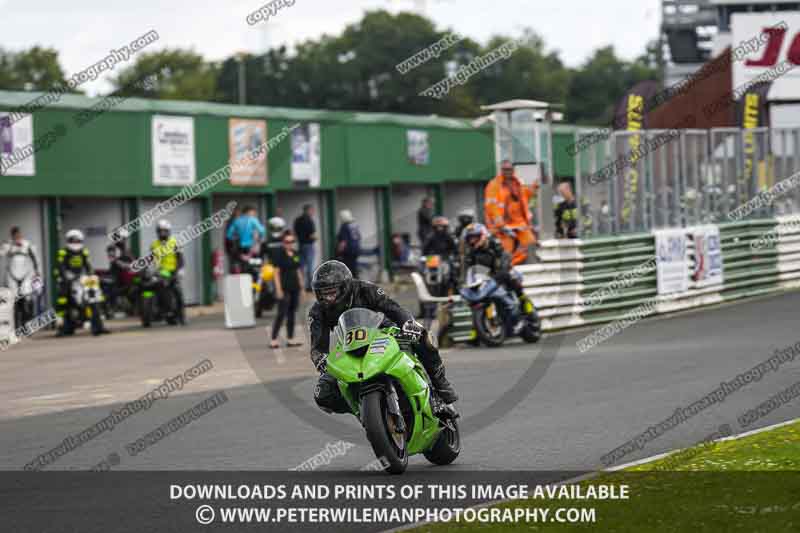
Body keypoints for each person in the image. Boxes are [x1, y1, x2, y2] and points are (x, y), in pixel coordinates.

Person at [308, 260, 458, 415]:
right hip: (350, 347)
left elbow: (393, 308)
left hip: (383, 332)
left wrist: (407, 323)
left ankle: (440, 388)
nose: (328, 298)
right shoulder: (317, 311)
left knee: (423, 337)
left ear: (345, 286)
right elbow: (317, 346)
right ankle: (362, 409)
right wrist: (320, 358)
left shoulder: (366, 289)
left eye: (332, 292)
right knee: (323, 394)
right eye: (323, 294)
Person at [462, 223, 530, 314]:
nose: (472, 241)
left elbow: (505, 255)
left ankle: (524, 302)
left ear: (483, 235)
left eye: (474, 238)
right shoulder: (471, 253)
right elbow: (469, 269)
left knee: (511, 277)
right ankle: (478, 324)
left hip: (501, 272)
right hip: (486, 278)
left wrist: (504, 266)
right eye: (470, 239)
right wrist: (466, 283)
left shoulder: (495, 243)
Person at [55, 229, 110, 336]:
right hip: (67, 278)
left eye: (77, 241)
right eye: (73, 241)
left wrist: (91, 274)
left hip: (81, 278)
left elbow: (88, 265)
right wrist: (66, 276)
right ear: (68, 241)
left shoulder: (84, 251)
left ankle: (99, 326)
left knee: (95, 297)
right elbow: (61, 266)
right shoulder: (63, 252)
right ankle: (61, 325)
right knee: (63, 298)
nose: (75, 243)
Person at [484, 160, 536, 264]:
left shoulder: (518, 183)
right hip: (502, 225)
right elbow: (491, 205)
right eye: (505, 169)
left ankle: (510, 264)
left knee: (530, 243)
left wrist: (534, 187)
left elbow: (525, 196)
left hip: (519, 223)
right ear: (501, 170)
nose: (507, 171)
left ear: (513, 170)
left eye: (509, 169)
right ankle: (506, 267)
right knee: (506, 249)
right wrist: (500, 224)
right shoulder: (494, 185)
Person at [270, 231, 304, 348]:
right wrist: (278, 289)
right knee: (281, 312)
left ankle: (290, 338)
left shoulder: (295, 253)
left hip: (294, 287)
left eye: (292, 241)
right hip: (284, 288)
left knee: (292, 313)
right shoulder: (279, 254)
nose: (290, 244)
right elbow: (276, 272)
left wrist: (302, 287)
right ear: (283, 243)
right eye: (287, 242)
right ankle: (273, 338)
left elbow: (298, 270)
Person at [150, 220, 186, 325]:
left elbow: (180, 258)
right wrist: (155, 271)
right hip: (161, 272)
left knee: (178, 292)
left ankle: (182, 316)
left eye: (164, 231)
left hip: (174, 271)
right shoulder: (154, 245)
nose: (162, 233)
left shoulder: (175, 242)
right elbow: (154, 260)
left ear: (168, 231)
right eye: (160, 231)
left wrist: (179, 270)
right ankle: (160, 313)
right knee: (157, 290)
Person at [1, 226, 41, 293]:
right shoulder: (7, 244)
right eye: (14, 234)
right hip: (12, 275)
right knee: (13, 296)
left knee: (26, 294)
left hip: (25, 275)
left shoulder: (27, 244)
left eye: (18, 234)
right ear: (12, 235)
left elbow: (35, 258)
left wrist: (37, 272)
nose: (17, 236)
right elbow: (1, 253)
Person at [226, 206, 265, 272]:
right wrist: (259, 239)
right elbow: (262, 230)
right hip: (251, 248)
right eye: (253, 214)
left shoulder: (236, 221)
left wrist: (236, 237)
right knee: (255, 266)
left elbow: (229, 235)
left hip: (239, 248)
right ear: (247, 213)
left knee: (242, 266)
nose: (254, 215)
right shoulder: (252, 220)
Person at [293, 204, 317, 292]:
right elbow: (312, 235)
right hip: (309, 245)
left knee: (301, 266)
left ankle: (301, 285)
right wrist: (315, 238)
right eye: (312, 210)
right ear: (308, 210)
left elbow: (295, 233)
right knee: (310, 266)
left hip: (300, 245)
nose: (313, 212)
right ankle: (309, 286)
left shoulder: (297, 220)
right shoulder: (309, 220)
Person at [335, 210, 362, 278]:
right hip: (356, 249)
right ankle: (356, 281)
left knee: (348, 268)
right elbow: (359, 237)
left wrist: (338, 251)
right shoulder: (355, 225)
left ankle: (352, 283)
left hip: (348, 251)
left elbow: (343, 242)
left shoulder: (344, 226)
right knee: (354, 266)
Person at [224, 205, 242, 273]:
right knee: (234, 263)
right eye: (237, 212)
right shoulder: (231, 222)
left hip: (238, 247)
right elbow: (228, 237)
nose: (238, 214)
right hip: (233, 247)